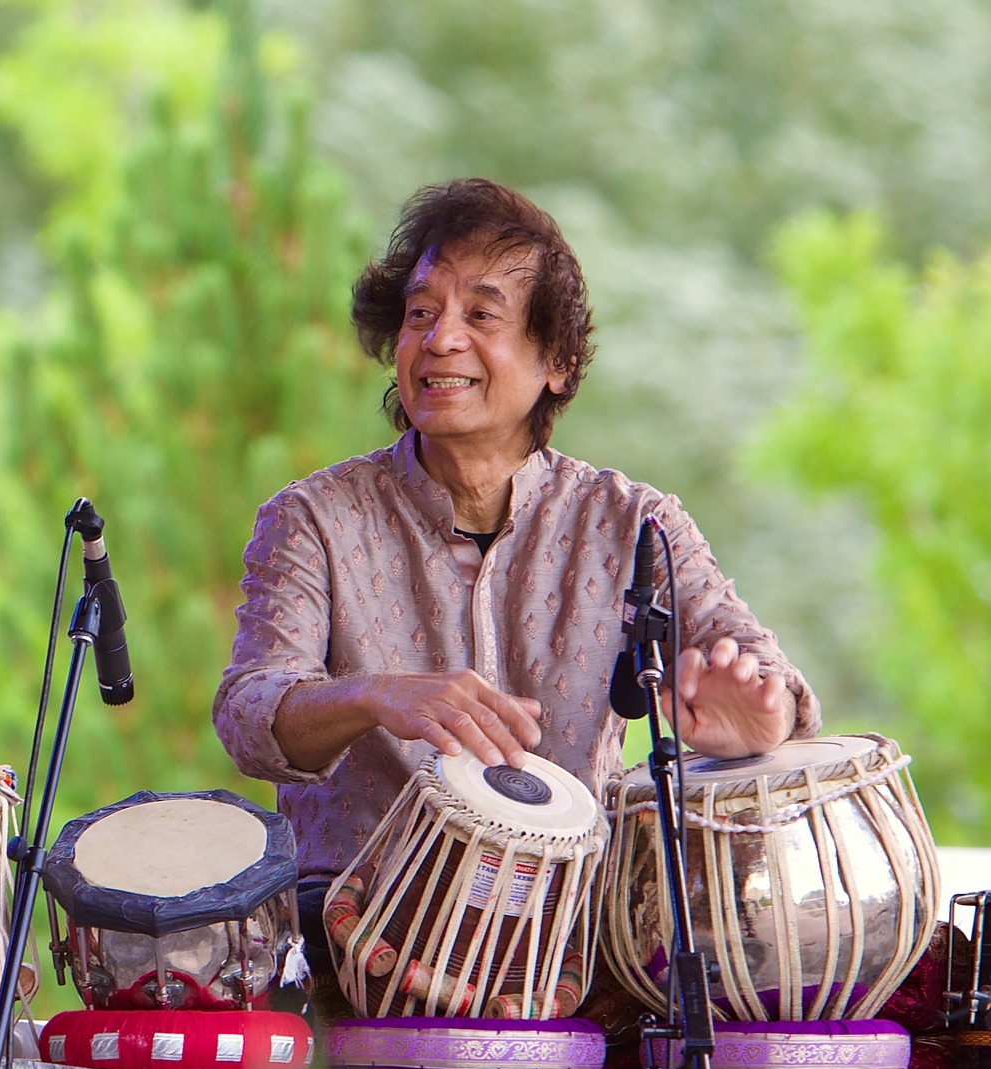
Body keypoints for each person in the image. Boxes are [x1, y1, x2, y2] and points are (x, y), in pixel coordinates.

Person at [212, 178, 820, 996]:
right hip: (361, 944)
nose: (439, 340)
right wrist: (374, 695)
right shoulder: (314, 518)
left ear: (557, 363)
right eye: (421, 314)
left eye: (481, 316)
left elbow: (757, 668)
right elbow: (250, 713)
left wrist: (764, 714)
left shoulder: (634, 524)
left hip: (572, 947)